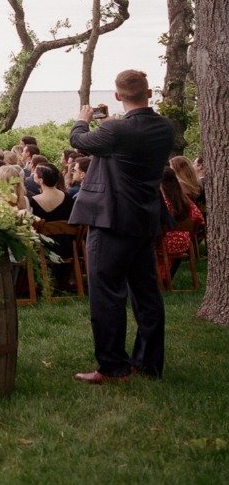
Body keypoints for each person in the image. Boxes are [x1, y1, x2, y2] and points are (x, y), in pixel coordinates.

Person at [70, 69, 174, 383]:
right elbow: (126, 145)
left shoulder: (115, 131)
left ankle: (113, 366)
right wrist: (111, 125)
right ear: (149, 93)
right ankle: (148, 362)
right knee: (146, 294)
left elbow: (78, 140)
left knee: (106, 294)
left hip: (112, 220)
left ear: (117, 96)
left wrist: (83, 118)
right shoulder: (165, 128)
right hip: (145, 219)